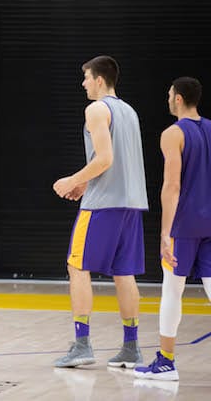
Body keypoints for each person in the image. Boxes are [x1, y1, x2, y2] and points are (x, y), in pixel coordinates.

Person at [52, 55, 148, 368]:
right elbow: (117, 161)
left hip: (103, 205)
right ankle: (131, 347)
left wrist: (71, 180)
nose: (83, 84)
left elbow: (105, 159)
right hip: (131, 203)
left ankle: (81, 344)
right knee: (124, 273)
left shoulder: (96, 108)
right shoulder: (129, 111)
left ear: (99, 80)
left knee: (77, 267)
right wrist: (85, 184)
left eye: (86, 78)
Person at [135, 77, 211, 381]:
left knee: (172, 290)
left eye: (169, 94)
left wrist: (165, 233)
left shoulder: (173, 133)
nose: (167, 98)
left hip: (185, 222)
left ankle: (165, 361)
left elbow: (172, 185)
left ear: (178, 98)